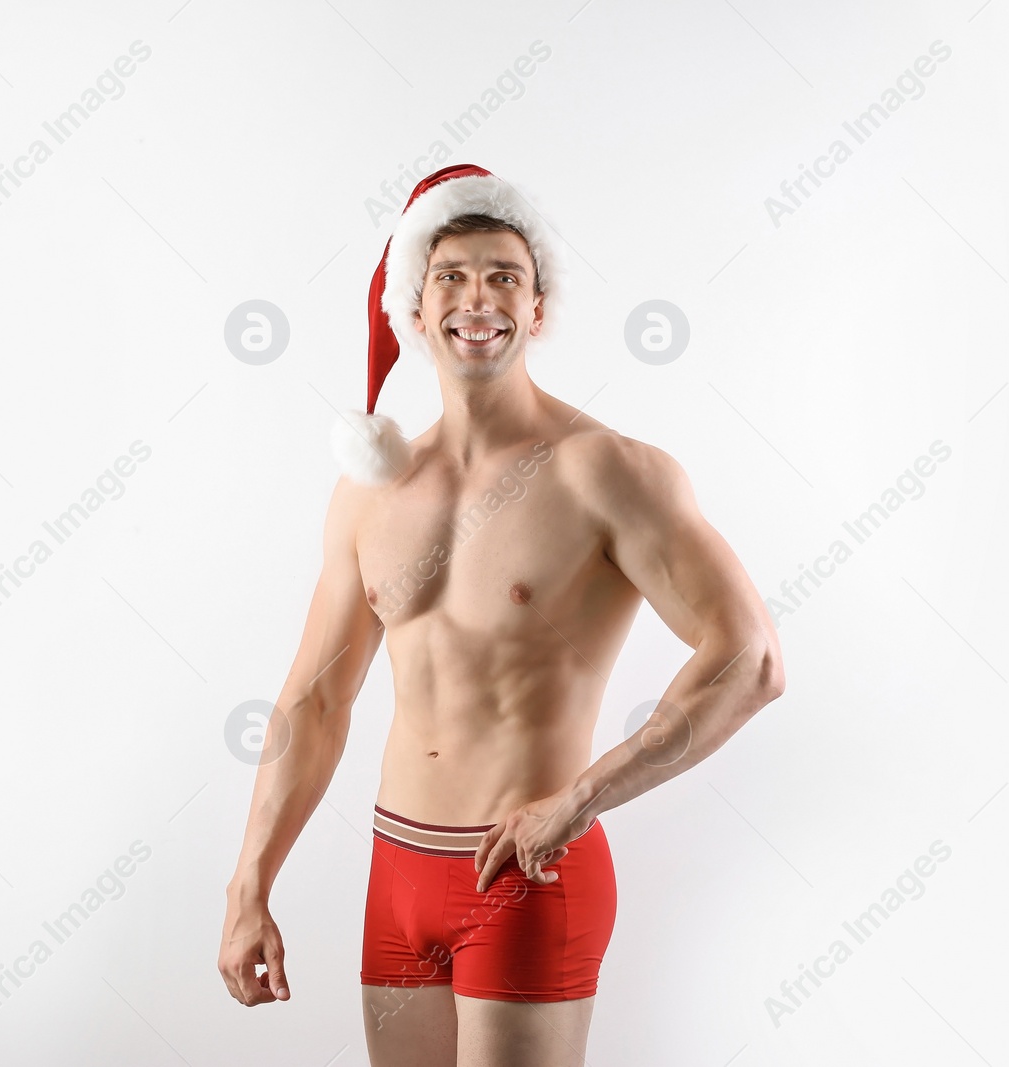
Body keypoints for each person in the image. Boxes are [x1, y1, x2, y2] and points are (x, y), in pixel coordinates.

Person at [217, 164, 785, 1066]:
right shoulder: (371, 489)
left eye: (503, 276)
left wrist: (581, 798)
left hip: (528, 871)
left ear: (538, 308)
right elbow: (313, 705)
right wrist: (250, 882)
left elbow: (750, 659)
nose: (476, 297)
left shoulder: (604, 471)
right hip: (398, 870)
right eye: (452, 275)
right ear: (415, 305)